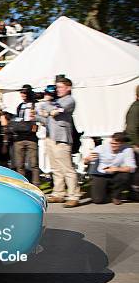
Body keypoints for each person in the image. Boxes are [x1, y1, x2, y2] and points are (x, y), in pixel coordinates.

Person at [43, 77, 80, 207]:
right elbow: (46, 115)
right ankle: (58, 193)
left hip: (62, 138)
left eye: (60, 87)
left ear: (68, 88)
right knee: (56, 168)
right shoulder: (55, 101)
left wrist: (46, 105)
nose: (57, 90)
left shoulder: (69, 100)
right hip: (50, 137)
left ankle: (73, 195)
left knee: (67, 169)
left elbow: (54, 111)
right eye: (57, 87)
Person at [84, 133, 136, 204]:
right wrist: (87, 160)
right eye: (112, 143)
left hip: (116, 173)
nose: (113, 145)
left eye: (116, 144)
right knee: (98, 200)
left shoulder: (127, 149)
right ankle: (107, 191)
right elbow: (85, 161)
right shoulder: (101, 148)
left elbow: (132, 168)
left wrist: (116, 169)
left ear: (122, 143)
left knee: (125, 175)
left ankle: (116, 196)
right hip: (101, 173)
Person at [11, 107, 39, 184]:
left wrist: (24, 128)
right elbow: (13, 126)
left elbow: (35, 128)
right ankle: (22, 184)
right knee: (19, 164)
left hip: (31, 139)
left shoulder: (34, 106)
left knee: (34, 164)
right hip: (19, 140)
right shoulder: (20, 107)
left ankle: (36, 184)